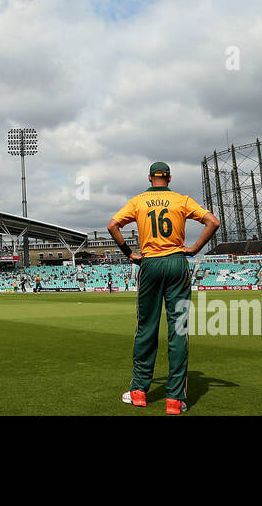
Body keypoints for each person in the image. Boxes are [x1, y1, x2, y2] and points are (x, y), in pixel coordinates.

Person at [108, 161, 219, 415]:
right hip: (177, 262)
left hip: (150, 264)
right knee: (178, 330)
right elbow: (213, 222)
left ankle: (138, 392)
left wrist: (129, 253)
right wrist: (194, 249)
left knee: (146, 328)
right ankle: (175, 400)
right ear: (169, 178)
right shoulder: (182, 200)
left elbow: (112, 226)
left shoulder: (137, 201)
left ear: (149, 178)